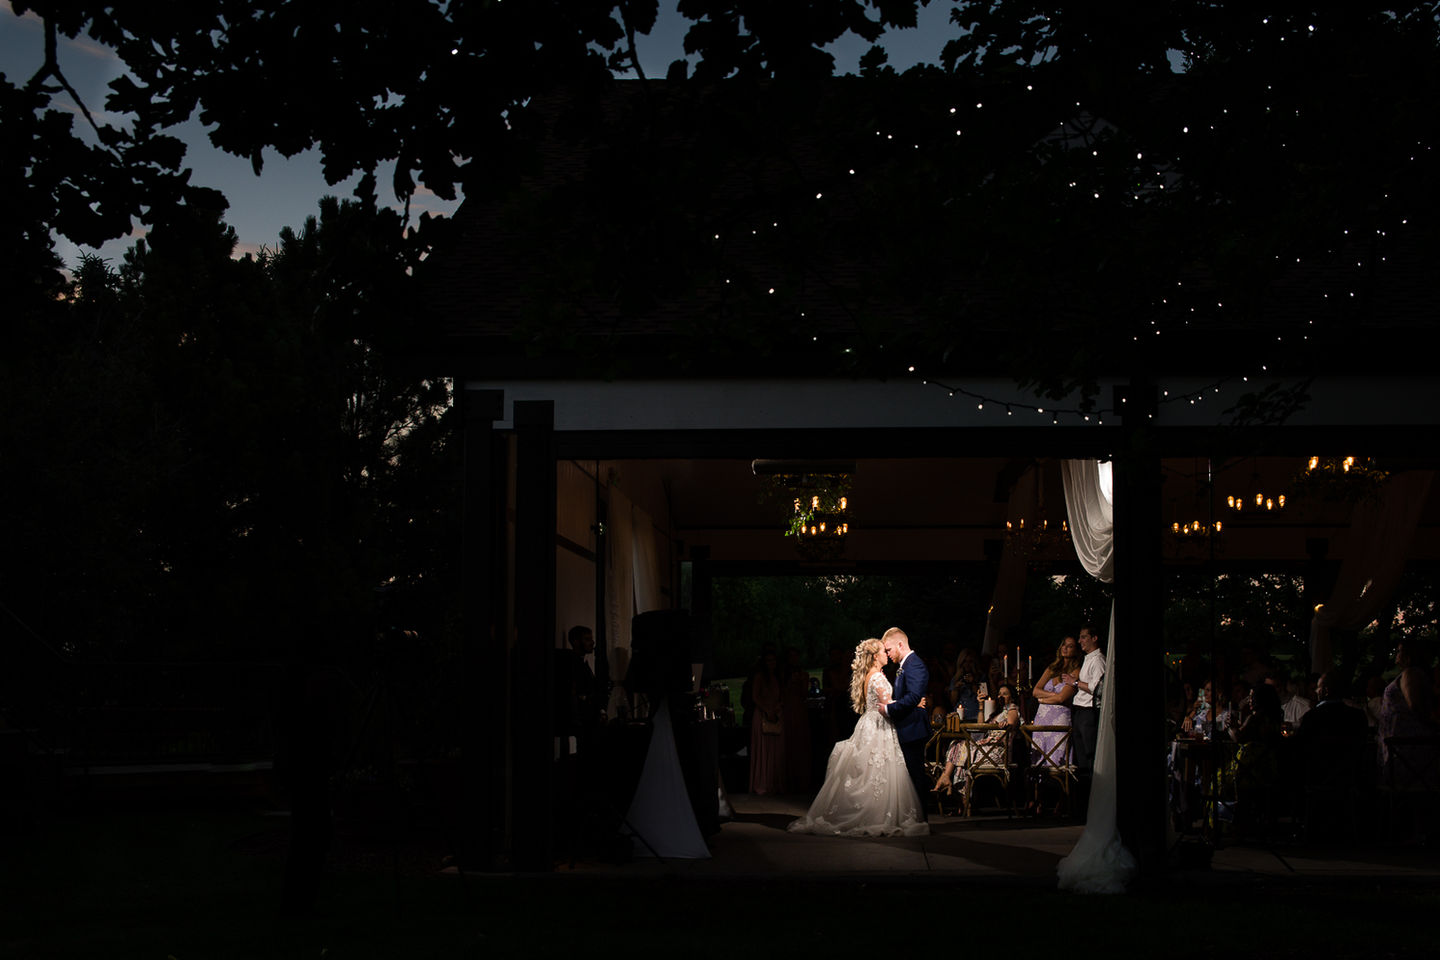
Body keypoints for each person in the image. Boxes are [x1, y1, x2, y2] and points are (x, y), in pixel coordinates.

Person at [787, 638, 928, 837]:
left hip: (869, 723)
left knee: (873, 771)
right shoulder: (877, 677)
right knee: (877, 771)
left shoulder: (872, 675)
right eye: (882, 651)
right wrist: (914, 704)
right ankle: (875, 815)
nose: (886, 654)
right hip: (878, 725)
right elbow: (887, 706)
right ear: (874, 656)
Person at [877, 626, 931, 818]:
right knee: (909, 775)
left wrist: (889, 708)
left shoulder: (914, 664)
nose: (887, 653)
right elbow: (909, 697)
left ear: (900, 644)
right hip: (907, 726)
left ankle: (920, 818)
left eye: (889, 649)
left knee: (916, 775)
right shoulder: (904, 666)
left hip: (913, 728)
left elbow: (915, 695)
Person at [933, 680, 1021, 795]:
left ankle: (952, 787)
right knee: (958, 747)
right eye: (999, 693)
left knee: (961, 748)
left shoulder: (1012, 708)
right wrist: (981, 705)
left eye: (1005, 694)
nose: (1001, 696)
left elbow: (1011, 722)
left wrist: (1005, 724)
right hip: (987, 747)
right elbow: (981, 727)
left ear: (1012, 697)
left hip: (997, 750)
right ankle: (953, 786)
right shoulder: (998, 712)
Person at [1377, 638, 1439, 790]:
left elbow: (1417, 707)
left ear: (1408, 655)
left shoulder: (1410, 674)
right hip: (1405, 752)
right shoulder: (1414, 675)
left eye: (1399, 651)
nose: (1396, 655)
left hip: (1408, 753)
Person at [1062, 623, 1103, 823]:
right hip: (1080, 711)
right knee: (1081, 760)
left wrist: (1075, 683)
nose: (1080, 641)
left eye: (1084, 637)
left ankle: (1091, 807)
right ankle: (1082, 807)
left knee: (1089, 757)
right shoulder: (1087, 659)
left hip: (1089, 712)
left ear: (1094, 638)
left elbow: (1097, 688)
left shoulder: (1099, 660)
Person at [1031, 637, 1079, 764]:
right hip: (1042, 718)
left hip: (1059, 717)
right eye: (1063, 645)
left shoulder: (1076, 671)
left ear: (1075, 650)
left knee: (1057, 756)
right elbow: (1035, 690)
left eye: (1070, 646)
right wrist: (1052, 694)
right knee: (1040, 754)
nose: (1065, 648)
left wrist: (1042, 700)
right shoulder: (1052, 668)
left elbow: (1062, 697)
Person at [748, 645, 785, 795]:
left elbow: (781, 696)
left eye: (773, 661)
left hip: (775, 714)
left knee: (775, 750)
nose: (771, 663)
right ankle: (762, 783)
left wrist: (776, 708)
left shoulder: (777, 677)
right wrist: (767, 709)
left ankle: (773, 782)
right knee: (763, 750)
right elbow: (755, 697)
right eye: (768, 661)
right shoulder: (759, 677)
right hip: (762, 715)